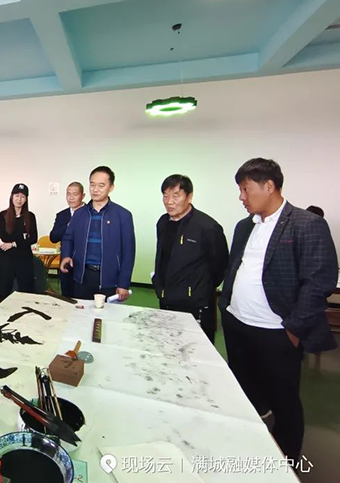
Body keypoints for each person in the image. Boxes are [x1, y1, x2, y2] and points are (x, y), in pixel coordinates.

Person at [219, 158, 338, 463]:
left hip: (277, 332)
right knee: (243, 392)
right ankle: (246, 448)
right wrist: (226, 307)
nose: (241, 197)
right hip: (237, 325)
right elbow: (235, 268)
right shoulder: (244, 226)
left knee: (284, 400)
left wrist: (294, 328)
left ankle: (287, 462)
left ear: (269, 186)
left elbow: (319, 281)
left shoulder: (306, 224)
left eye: (245, 189)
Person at [152, 175, 229, 343]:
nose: (169, 202)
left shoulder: (207, 227)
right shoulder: (163, 222)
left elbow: (220, 266)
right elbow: (162, 258)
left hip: (195, 303)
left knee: (196, 347)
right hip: (166, 298)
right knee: (168, 344)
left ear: (189, 196)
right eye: (165, 195)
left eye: (176, 196)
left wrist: (198, 288)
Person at [60, 166, 135, 301]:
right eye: (92, 185)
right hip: (82, 275)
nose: (95, 189)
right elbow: (68, 238)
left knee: (108, 314)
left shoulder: (123, 215)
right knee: (81, 312)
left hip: (110, 278)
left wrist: (123, 283)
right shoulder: (79, 214)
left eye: (101, 185)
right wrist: (66, 255)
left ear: (111, 187)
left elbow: (128, 252)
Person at [0, 183, 38, 302]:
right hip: (7, 259)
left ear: (26, 199)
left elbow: (33, 238)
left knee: (27, 292)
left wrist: (13, 243)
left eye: (23, 196)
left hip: (24, 259)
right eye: (17, 195)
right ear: (12, 196)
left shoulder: (30, 216)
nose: (19, 199)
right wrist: (23, 238)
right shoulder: (3, 215)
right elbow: (4, 236)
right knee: (4, 292)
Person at [49, 182, 85, 297]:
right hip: (66, 263)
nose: (71, 197)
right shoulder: (62, 215)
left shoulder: (89, 213)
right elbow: (53, 237)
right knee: (66, 295)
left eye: (75, 194)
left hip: (84, 263)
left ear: (83, 196)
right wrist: (68, 226)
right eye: (68, 194)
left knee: (84, 297)